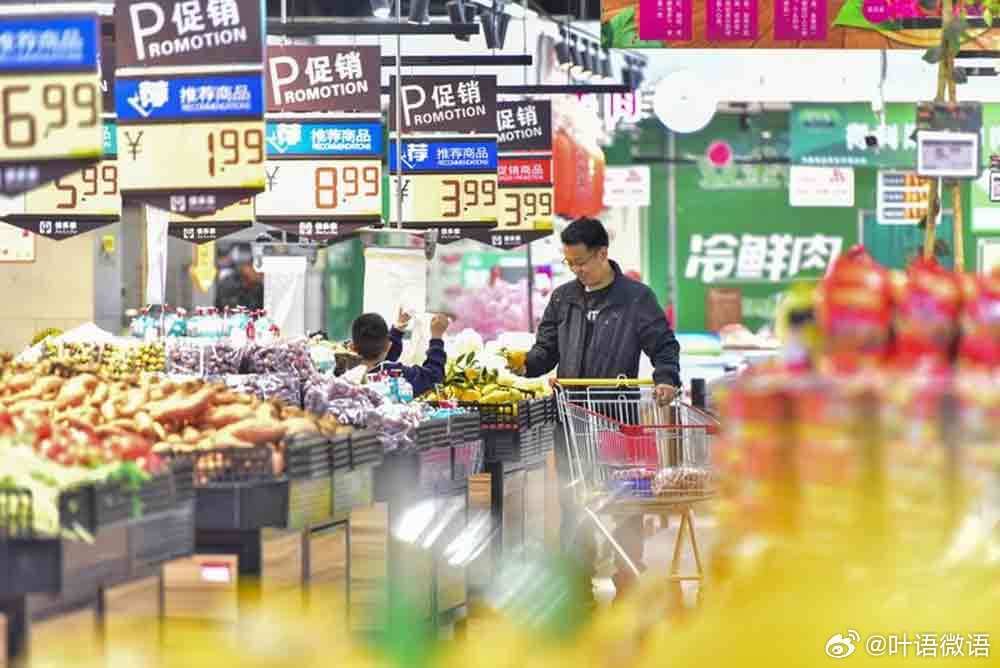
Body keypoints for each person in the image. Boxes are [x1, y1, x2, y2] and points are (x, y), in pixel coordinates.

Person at [506, 217, 681, 600]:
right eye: (570, 263)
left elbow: (664, 346)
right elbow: (545, 353)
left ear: (603, 253)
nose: (577, 271)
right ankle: (576, 584)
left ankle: (628, 580)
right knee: (573, 502)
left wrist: (666, 377)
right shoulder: (562, 298)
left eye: (582, 262)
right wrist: (521, 363)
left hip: (617, 420)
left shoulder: (636, 299)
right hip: (570, 420)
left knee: (626, 503)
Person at [349, 310, 449, 396]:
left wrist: (398, 328)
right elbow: (433, 377)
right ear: (388, 346)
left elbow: (381, 359)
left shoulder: (344, 375)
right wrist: (437, 337)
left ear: (351, 347)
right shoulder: (396, 376)